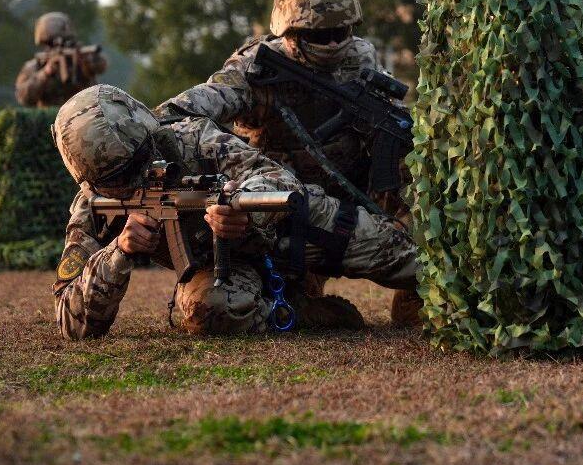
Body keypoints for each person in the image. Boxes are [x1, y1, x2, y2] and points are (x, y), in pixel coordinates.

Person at [157, 0, 422, 327]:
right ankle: (309, 309)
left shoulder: (361, 60)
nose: (331, 44)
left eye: (339, 32)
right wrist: (231, 168)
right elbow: (176, 115)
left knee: (412, 164)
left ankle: (415, 294)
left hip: (342, 214)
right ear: (289, 31)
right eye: (318, 35)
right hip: (272, 219)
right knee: (211, 309)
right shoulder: (256, 69)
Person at [51, 84, 418, 340]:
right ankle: (297, 310)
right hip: (227, 265)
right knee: (208, 310)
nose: (138, 178)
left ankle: (423, 295)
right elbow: (71, 322)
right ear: (92, 180)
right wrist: (119, 253)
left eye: (140, 160)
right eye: (118, 178)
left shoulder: (192, 138)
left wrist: (243, 209)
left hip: (292, 223)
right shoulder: (93, 205)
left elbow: (278, 180)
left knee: (414, 262)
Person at [15, 12, 108, 108]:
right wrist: (45, 73)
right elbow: (24, 98)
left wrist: (86, 62)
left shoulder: (80, 57)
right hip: (51, 118)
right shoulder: (36, 65)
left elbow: (101, 66)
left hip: (83, 114)